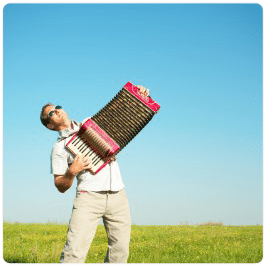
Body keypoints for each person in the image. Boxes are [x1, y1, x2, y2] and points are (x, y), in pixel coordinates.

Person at [40, 85, 150, 263]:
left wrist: (139, 95)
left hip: (118, 195)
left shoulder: (91, 122)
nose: (57, 111)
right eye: (51, 113)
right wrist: (72, 171)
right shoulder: (59, 148)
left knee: (120, 251)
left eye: (57, 107)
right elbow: (60, 185)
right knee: (74, 251)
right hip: (88, 198)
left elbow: (123, 116)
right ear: (50, 125)